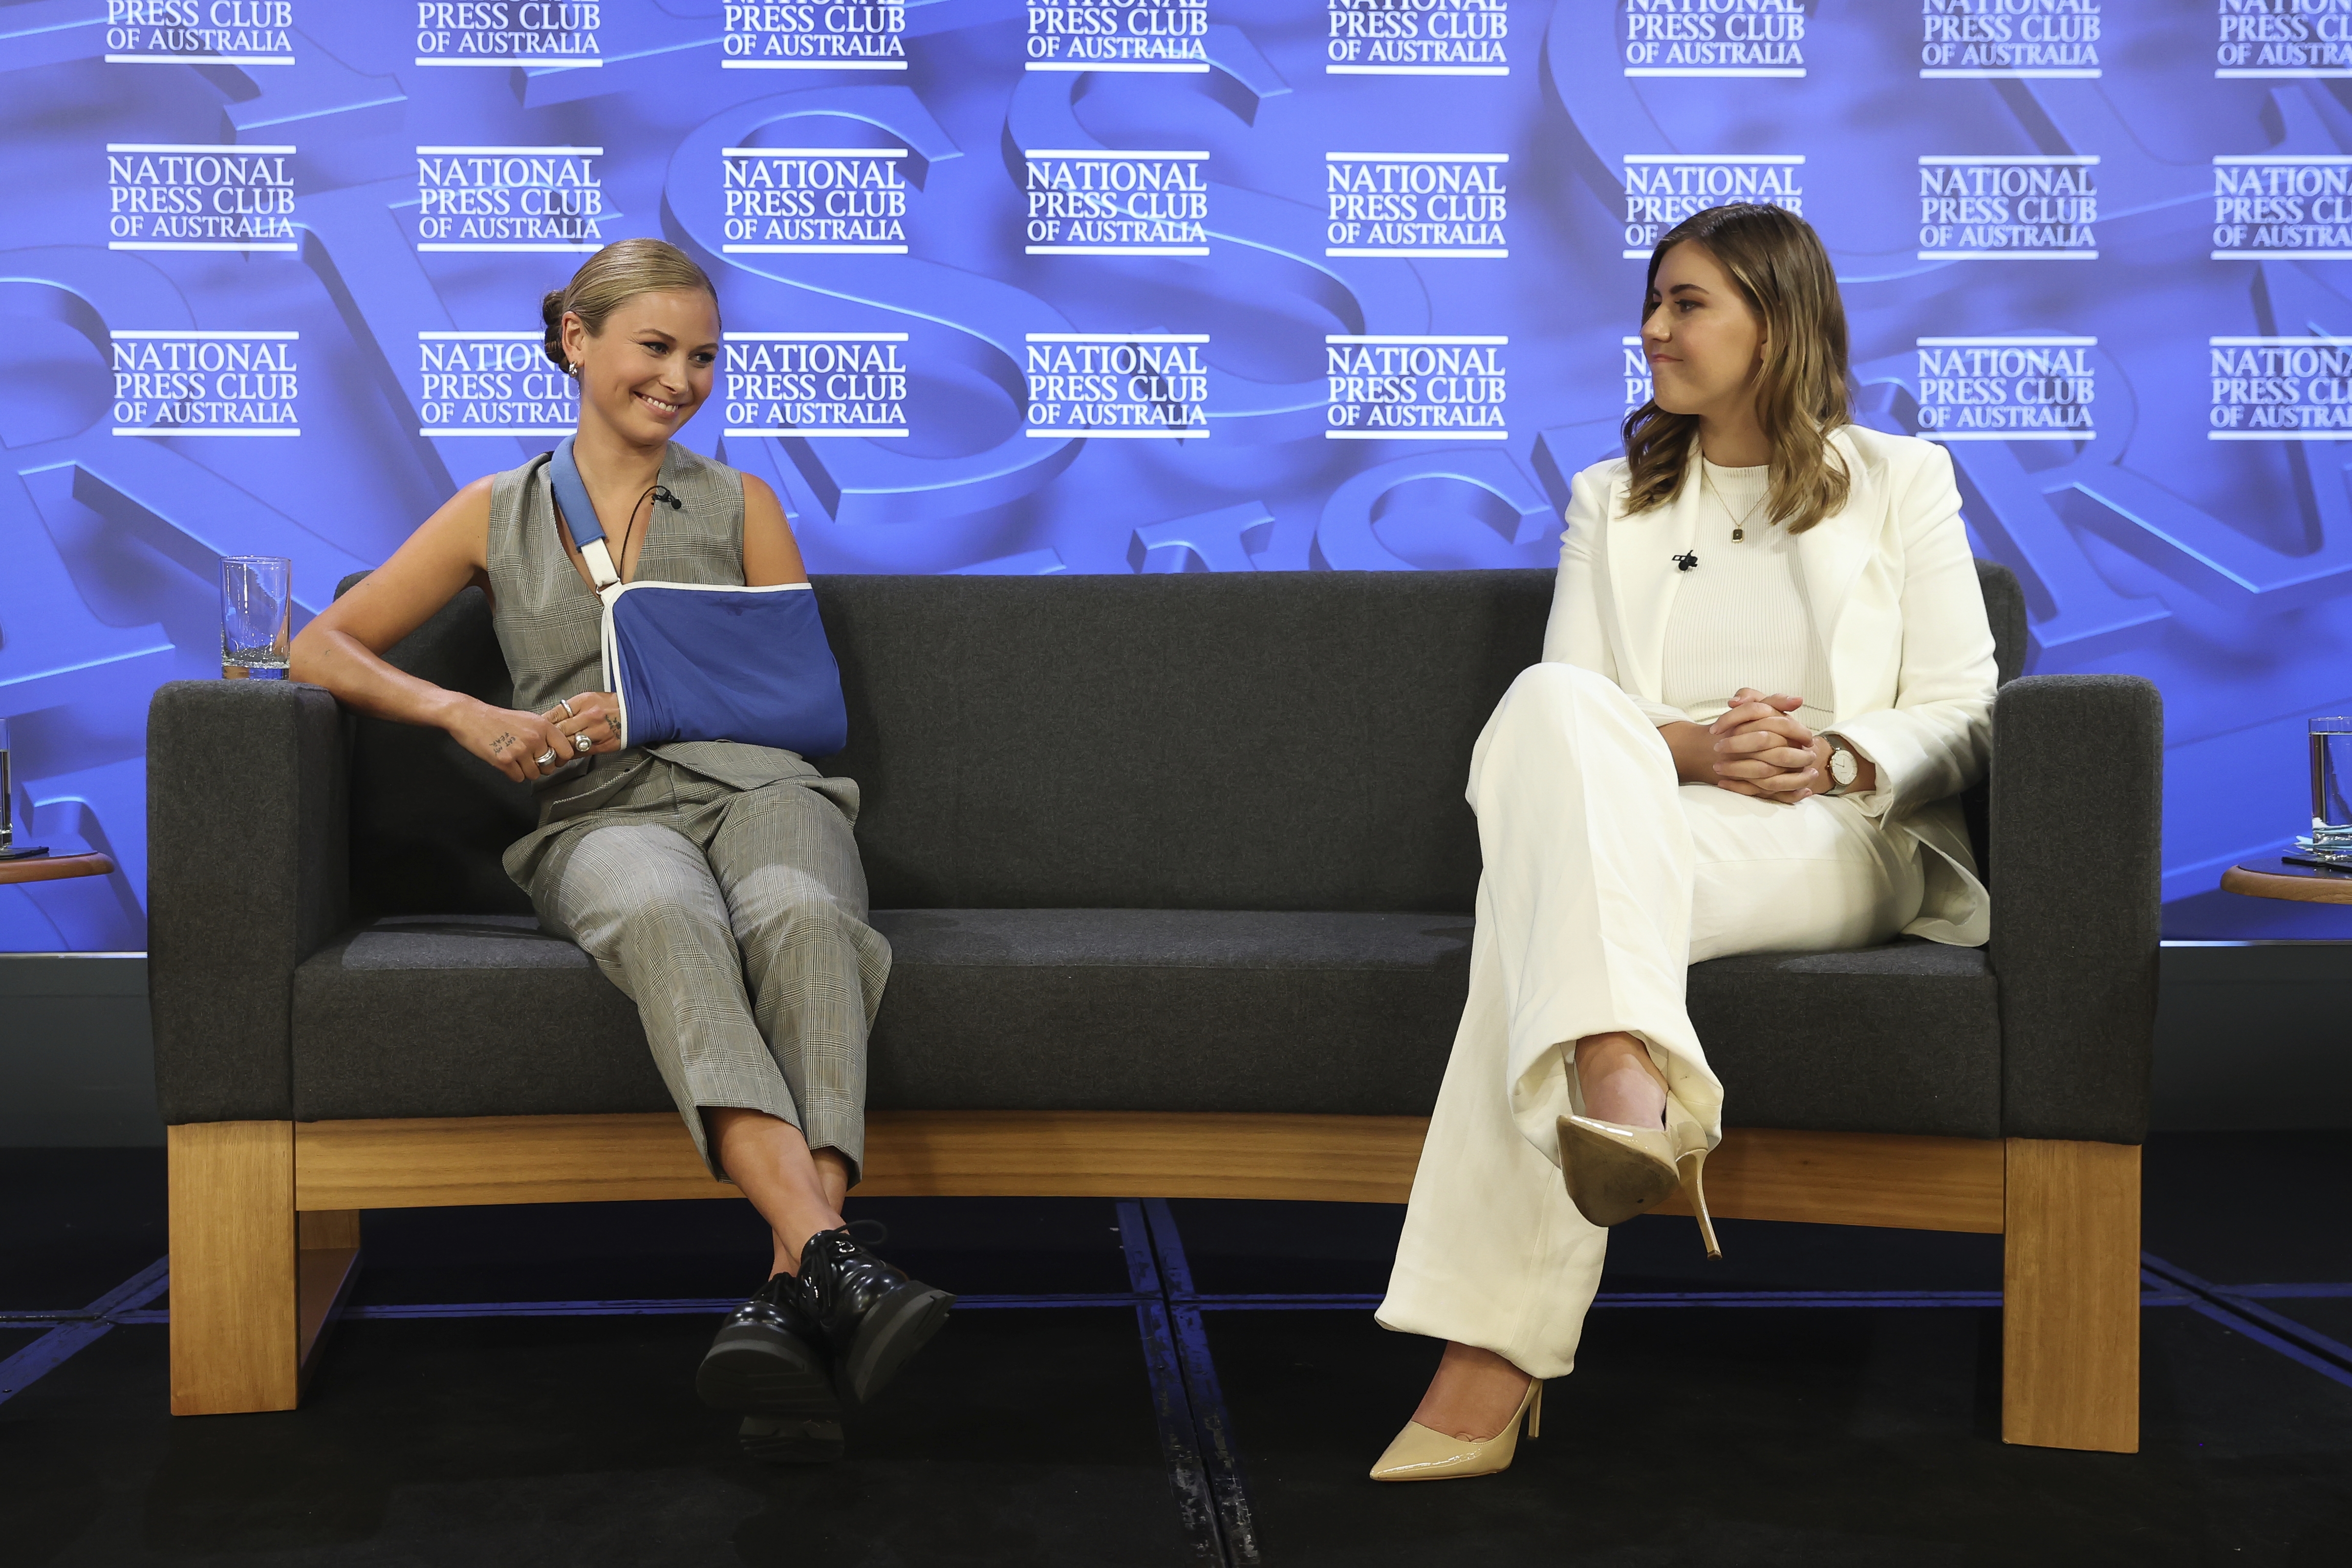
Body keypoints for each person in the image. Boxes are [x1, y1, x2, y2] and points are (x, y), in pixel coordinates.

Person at [290, 238, 948, 1465]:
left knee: (805, 919)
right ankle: (833, 1266)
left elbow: (805, 706)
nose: (682, 378)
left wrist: (653, 701)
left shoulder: (740, 502)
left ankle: (797, 1275)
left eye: (702, 356)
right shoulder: (491, 514)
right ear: (575, 340)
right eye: (656, 348)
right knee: (662, 919)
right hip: (600, 818)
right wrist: (468, 713)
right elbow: (322, 648)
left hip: (761, 791)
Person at [1367, 204, 1997, 1482]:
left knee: (1535, 914)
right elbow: (1574, 711)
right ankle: (1616, 1075)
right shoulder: (1613, 497)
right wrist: (1697, 751)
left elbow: (1962, 707)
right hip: (1652, 805)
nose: (1650, 330)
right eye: (1652, 303)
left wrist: (1822, 755)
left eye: (1686, 304)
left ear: (1775, 323)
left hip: (1830, 826)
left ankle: (1491, 1349)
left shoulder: (1899, 480)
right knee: (1541, 708)